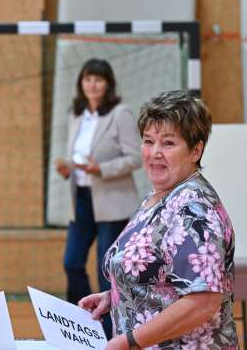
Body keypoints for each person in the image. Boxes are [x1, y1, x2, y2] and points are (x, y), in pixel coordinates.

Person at [79, 90, 238, 349]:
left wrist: (130, 341)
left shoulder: (193, 208)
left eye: (168, 143)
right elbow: (162, 278)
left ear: (195, 150)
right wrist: (118, 295)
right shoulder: (160, 194)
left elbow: (202, 302)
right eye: (148, 141)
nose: (154, 152)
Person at [54, 58, 141, 338]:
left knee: (105, 270)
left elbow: (136, 157)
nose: (92, 84)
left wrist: (101, 169)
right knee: (72, 262)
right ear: (81, 83)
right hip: (81, 199)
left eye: (98, 79)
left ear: (108, 84)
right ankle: (79, 323)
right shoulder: (77, 115)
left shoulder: (120, 113)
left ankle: (106, 332)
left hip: (112, 204)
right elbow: (80, 158)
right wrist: (68, 168)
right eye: (87, 78)